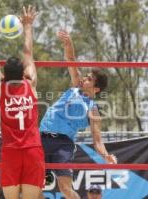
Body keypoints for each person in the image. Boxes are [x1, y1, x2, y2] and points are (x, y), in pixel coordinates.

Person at [0, 5, 45, 199]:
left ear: (5, 74)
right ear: (24, 73)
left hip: (11, 151)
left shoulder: (0, 88)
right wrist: (28, 25)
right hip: (32, 149)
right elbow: (28, 52)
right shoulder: (31, 84)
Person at [38, 30, 117, 199]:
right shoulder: (75, 86)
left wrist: (106, 156)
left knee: (65, 189)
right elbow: (71, 60)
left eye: (88, 79)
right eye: (86, 76)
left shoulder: (93, 110)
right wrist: (68, 43)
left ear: (96, 89)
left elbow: (97, 141)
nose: (84, 79)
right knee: (33, 189)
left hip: (63, 145)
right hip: (41, 138)